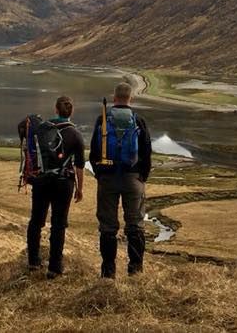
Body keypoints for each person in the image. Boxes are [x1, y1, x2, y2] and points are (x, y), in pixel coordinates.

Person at [17, 96, 86, 279]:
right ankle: (54, 268)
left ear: (55, 109)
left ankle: (33, 261)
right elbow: (79, 166)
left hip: (41, 181)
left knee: (36, 221)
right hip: (64, 183)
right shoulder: (76, 134)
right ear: (71, 112)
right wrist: (80, 189)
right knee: (58, 224)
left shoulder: (42, 129)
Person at [89, 82, 153, 278]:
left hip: (108, 179)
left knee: (108, 227)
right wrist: (142, 177)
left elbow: (93, 152)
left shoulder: (103, 119)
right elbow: (147, 152)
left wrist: (100, 174)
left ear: (114, 98)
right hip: (133, 178)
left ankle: (108, 273)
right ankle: (135, 271)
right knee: (135, 225)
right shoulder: (138, 120)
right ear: (130, 99)